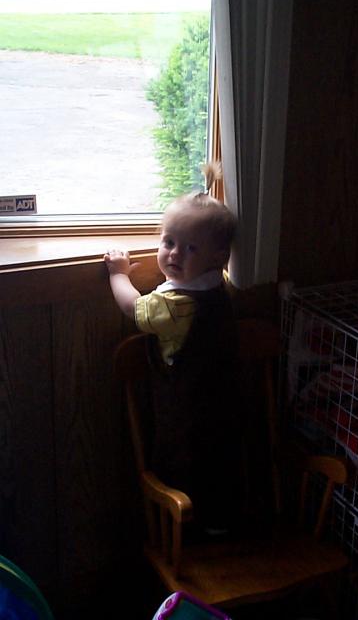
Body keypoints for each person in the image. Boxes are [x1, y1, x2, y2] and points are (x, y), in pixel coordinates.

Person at [105, 163, 241, 532]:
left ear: (217, 256)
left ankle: (202, 532)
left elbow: (134, 308)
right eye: (168, 242)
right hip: (222, 410)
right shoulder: (220, 286)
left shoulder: (174, 306)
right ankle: (219, 526)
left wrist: (119, 274)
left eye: (190, 248)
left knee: (186, 472)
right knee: (219, 473)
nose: (175, 254)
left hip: (186, 415)